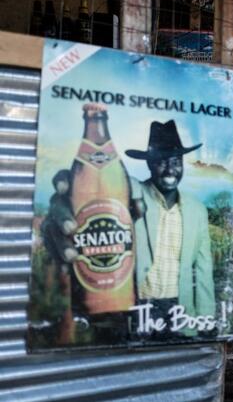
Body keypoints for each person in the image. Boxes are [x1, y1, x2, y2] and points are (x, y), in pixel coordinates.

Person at [44, 120, 215, 333]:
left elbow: (204, 269)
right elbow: (97, 190)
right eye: (162, 162)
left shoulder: (197, 210)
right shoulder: (131, 191)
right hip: (137, 310)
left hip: (181, 312)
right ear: (150, 164)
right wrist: (72, 191)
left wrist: (208, 321)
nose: (171, 169)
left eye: (176, 161)